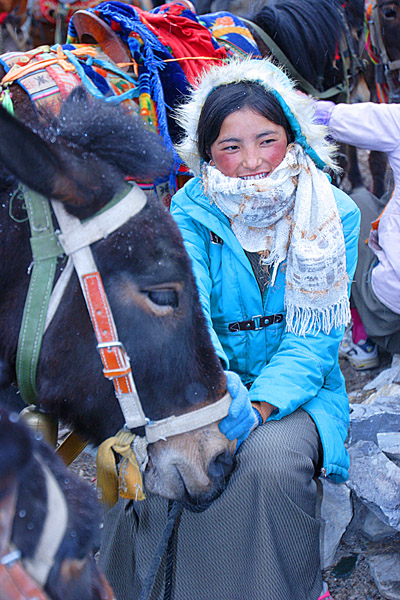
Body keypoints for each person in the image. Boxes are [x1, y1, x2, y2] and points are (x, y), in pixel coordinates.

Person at [99, 58, 360, 600]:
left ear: (291, 139)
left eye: (267, 141)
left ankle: (286, 588)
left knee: (267, 459)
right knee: (171, 461)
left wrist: (259, 406)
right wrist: (215, 390)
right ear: (206, 153)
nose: (252, 163)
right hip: (205, 384)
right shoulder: (187, 214)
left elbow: (315, 341)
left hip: (301, 393)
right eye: (231, 147)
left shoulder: (333, 212)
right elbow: (188, 315)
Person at [314, 100, 400, 370]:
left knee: (357, 205)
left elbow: (321, 115)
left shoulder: (395, 121)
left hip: (390, 320)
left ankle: (361, 338)